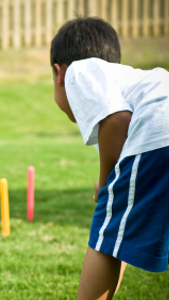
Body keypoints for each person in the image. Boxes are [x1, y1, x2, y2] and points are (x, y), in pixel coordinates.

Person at [50, 16, 169, 299]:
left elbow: (117, 120)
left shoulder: (79, 71)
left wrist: (106, 185)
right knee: (118, 226)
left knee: (108, 225)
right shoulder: (128, 81)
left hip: (160, 130)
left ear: (58, 73)